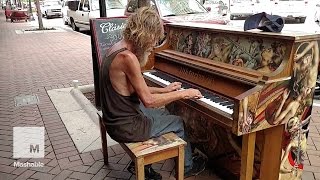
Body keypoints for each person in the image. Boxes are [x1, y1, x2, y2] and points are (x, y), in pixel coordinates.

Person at [99, 7, 206, 179]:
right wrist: (184, 93)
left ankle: (147, 167)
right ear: (146, 34)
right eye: (155, 39)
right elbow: (148, 101)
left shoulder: (116, 48)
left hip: (114, 119)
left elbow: (134, 89)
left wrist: (164, 90)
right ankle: (187, 167)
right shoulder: (128, 58)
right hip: (125, 127)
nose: (154, 44)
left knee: (161, 113)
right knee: (178, 122)